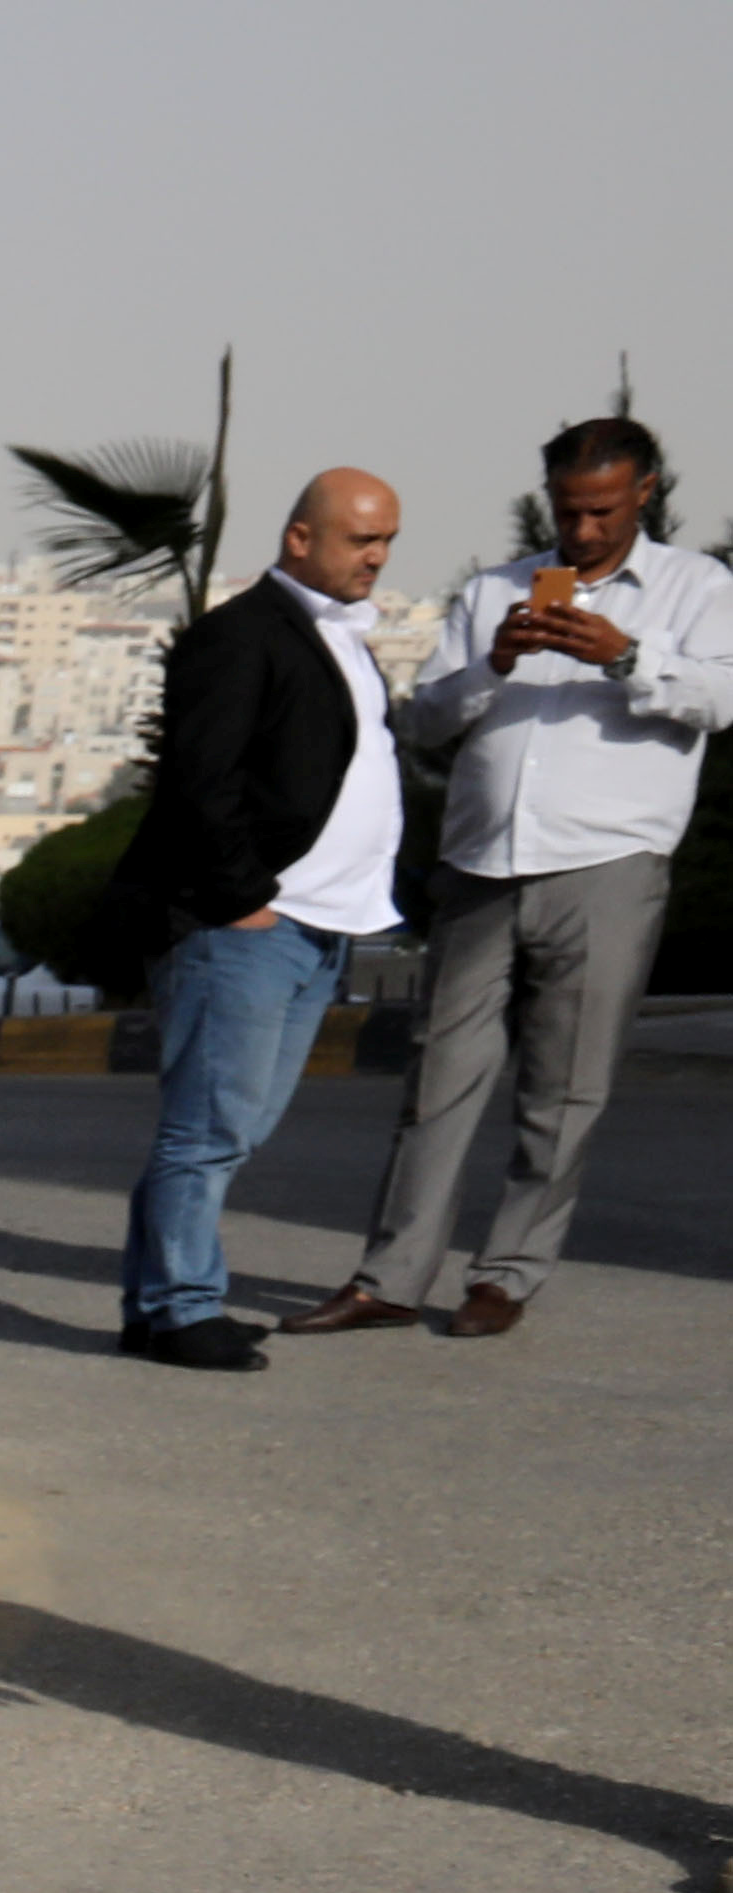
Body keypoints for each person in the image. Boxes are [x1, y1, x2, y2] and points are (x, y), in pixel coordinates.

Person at [282, 419, 727, 1345]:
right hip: (482, 863)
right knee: (437, 1077)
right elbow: (427, 722)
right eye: (569, 511)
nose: (585, 530)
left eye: (603, 510)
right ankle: (390, 1277)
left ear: (644, 492)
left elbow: (719, 699)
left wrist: (625, 654)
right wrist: (497, 663)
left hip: (607, 861)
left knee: (563, 1090)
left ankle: (507, 1274)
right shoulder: (494, 589)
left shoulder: (698, 587)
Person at [103, 465, 406, 1371]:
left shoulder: (342, 636)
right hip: (246, 928)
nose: (378, 557)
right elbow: (202, 781)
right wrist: (243, 903)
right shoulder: (240, 637)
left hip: (320, 926)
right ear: (300, 538)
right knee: (207, 1128)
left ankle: (157, 1307)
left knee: (228, 1128)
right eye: (361, 539)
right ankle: (182, 1308)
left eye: (387, 540)